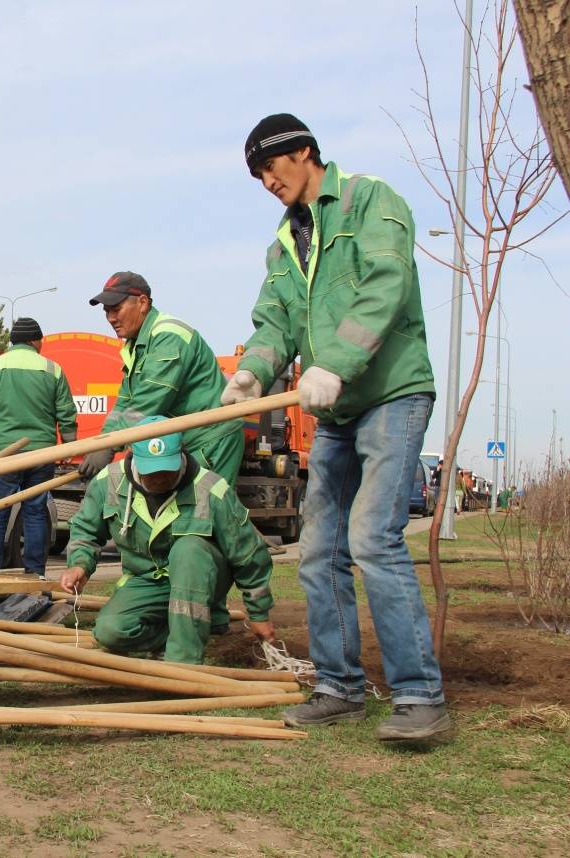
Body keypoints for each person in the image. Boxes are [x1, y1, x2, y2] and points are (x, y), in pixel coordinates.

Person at [222, 113, 448, 741]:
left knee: (373, 539)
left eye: (272, 167)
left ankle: (420, 697)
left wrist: (339, 365)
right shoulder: (282, 245)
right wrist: (252, 374)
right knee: (320, 551)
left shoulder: (368, 200)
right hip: (337, 412)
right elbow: (274, 323)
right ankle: (340, 688)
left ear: (304, 152)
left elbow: (387, 284)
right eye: (257, 176)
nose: (267, 182)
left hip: (392, 394)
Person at [59, 417, 276, 664]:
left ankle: (182, 661)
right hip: (146, 580)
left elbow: (248, 554)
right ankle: (188, 629)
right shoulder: (108, 482)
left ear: (181, 455)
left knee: (189, 548)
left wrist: (259, 614)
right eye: (152, 472)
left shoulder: (210, 488)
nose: (160, 478)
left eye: (166, 470)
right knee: (110, 631)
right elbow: (85, 531)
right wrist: (79, 565)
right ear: (134, 459)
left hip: (202, 578)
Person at [77, 271, 244, 484]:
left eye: (116, 309)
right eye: (106, 311)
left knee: (207, 508)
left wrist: (110, 446)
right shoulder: (135, 345)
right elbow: (125, 402)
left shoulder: (168, 335)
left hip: (211, 438)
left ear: (143, 302)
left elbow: (149, 400)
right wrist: (101, 442)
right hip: (186, 439)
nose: (110, 317)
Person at [0, 317, 78, 578]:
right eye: (40, 340)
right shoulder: (52, 369)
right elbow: (66, 412)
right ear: (34, 340)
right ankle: (35, 571)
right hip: (42, 452)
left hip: (5, 453)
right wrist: (71, 446)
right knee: (36, 511)